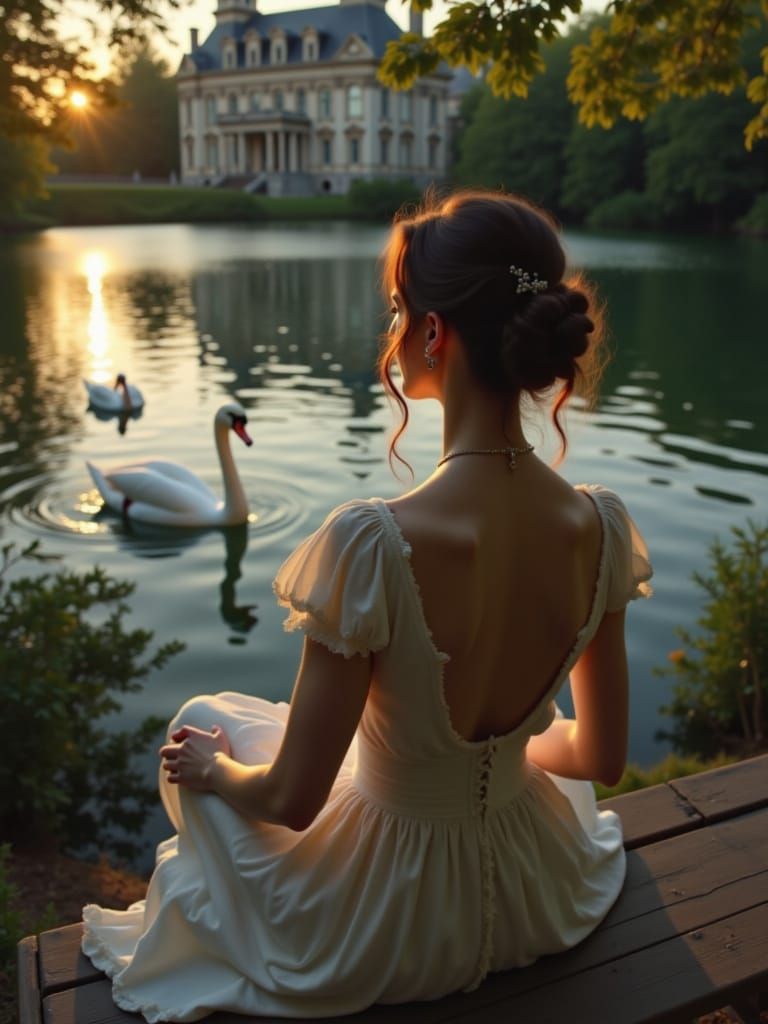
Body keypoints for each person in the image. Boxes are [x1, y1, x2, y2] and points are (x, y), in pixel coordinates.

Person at [82, 189, 652, 1022]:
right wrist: (495, 756)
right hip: (538, 893)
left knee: (204, 722)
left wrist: (212, 771)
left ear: (433, 333)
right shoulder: (600, 525)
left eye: (398, 310)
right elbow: (601, 757)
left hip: (389, 927)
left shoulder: (373, 544)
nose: (392, 333)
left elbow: (290, 801)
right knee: (289, 732)